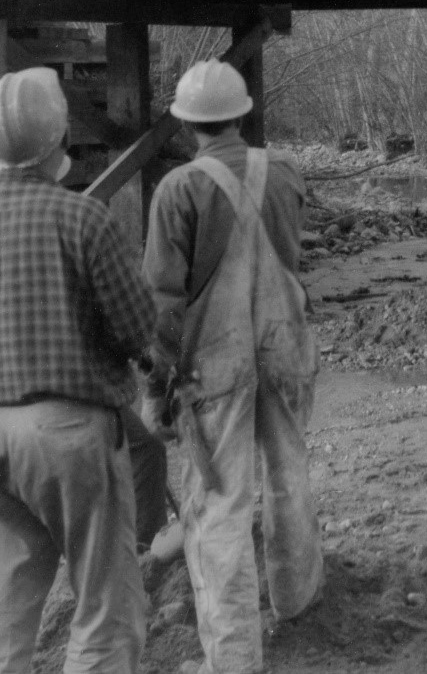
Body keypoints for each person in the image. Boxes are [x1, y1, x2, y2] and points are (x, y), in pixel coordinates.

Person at [0, 66, 155, 674]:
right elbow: (137, 330)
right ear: (57, 139)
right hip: (72, 432)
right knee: (105, 605)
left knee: (2, 616)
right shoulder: (85, 218)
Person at [142, 59, 323, 674]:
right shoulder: (286, 174)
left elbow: (163, 309)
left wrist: (155, 391)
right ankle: (297, 599)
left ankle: (235, 654)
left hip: (214, 365)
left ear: (187, 123)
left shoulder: (178, 190)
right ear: (242, 113)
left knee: (219, 500)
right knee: (288, 476)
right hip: (286, 346)